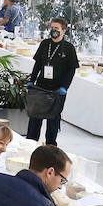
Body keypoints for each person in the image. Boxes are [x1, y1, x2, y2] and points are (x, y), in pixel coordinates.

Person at [25, 17, 79, 146]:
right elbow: (38, 64)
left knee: (53, 121)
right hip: (41, 87)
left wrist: (65, 87)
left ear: (64, 31)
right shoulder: (45, 44)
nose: (54, 30)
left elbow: (71, 70)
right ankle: (30, 144)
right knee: (35, 118)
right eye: (52, 28)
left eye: (57, 28)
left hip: (57, 90)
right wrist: (32, 80)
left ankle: (50, 147)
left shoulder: (69, 48)